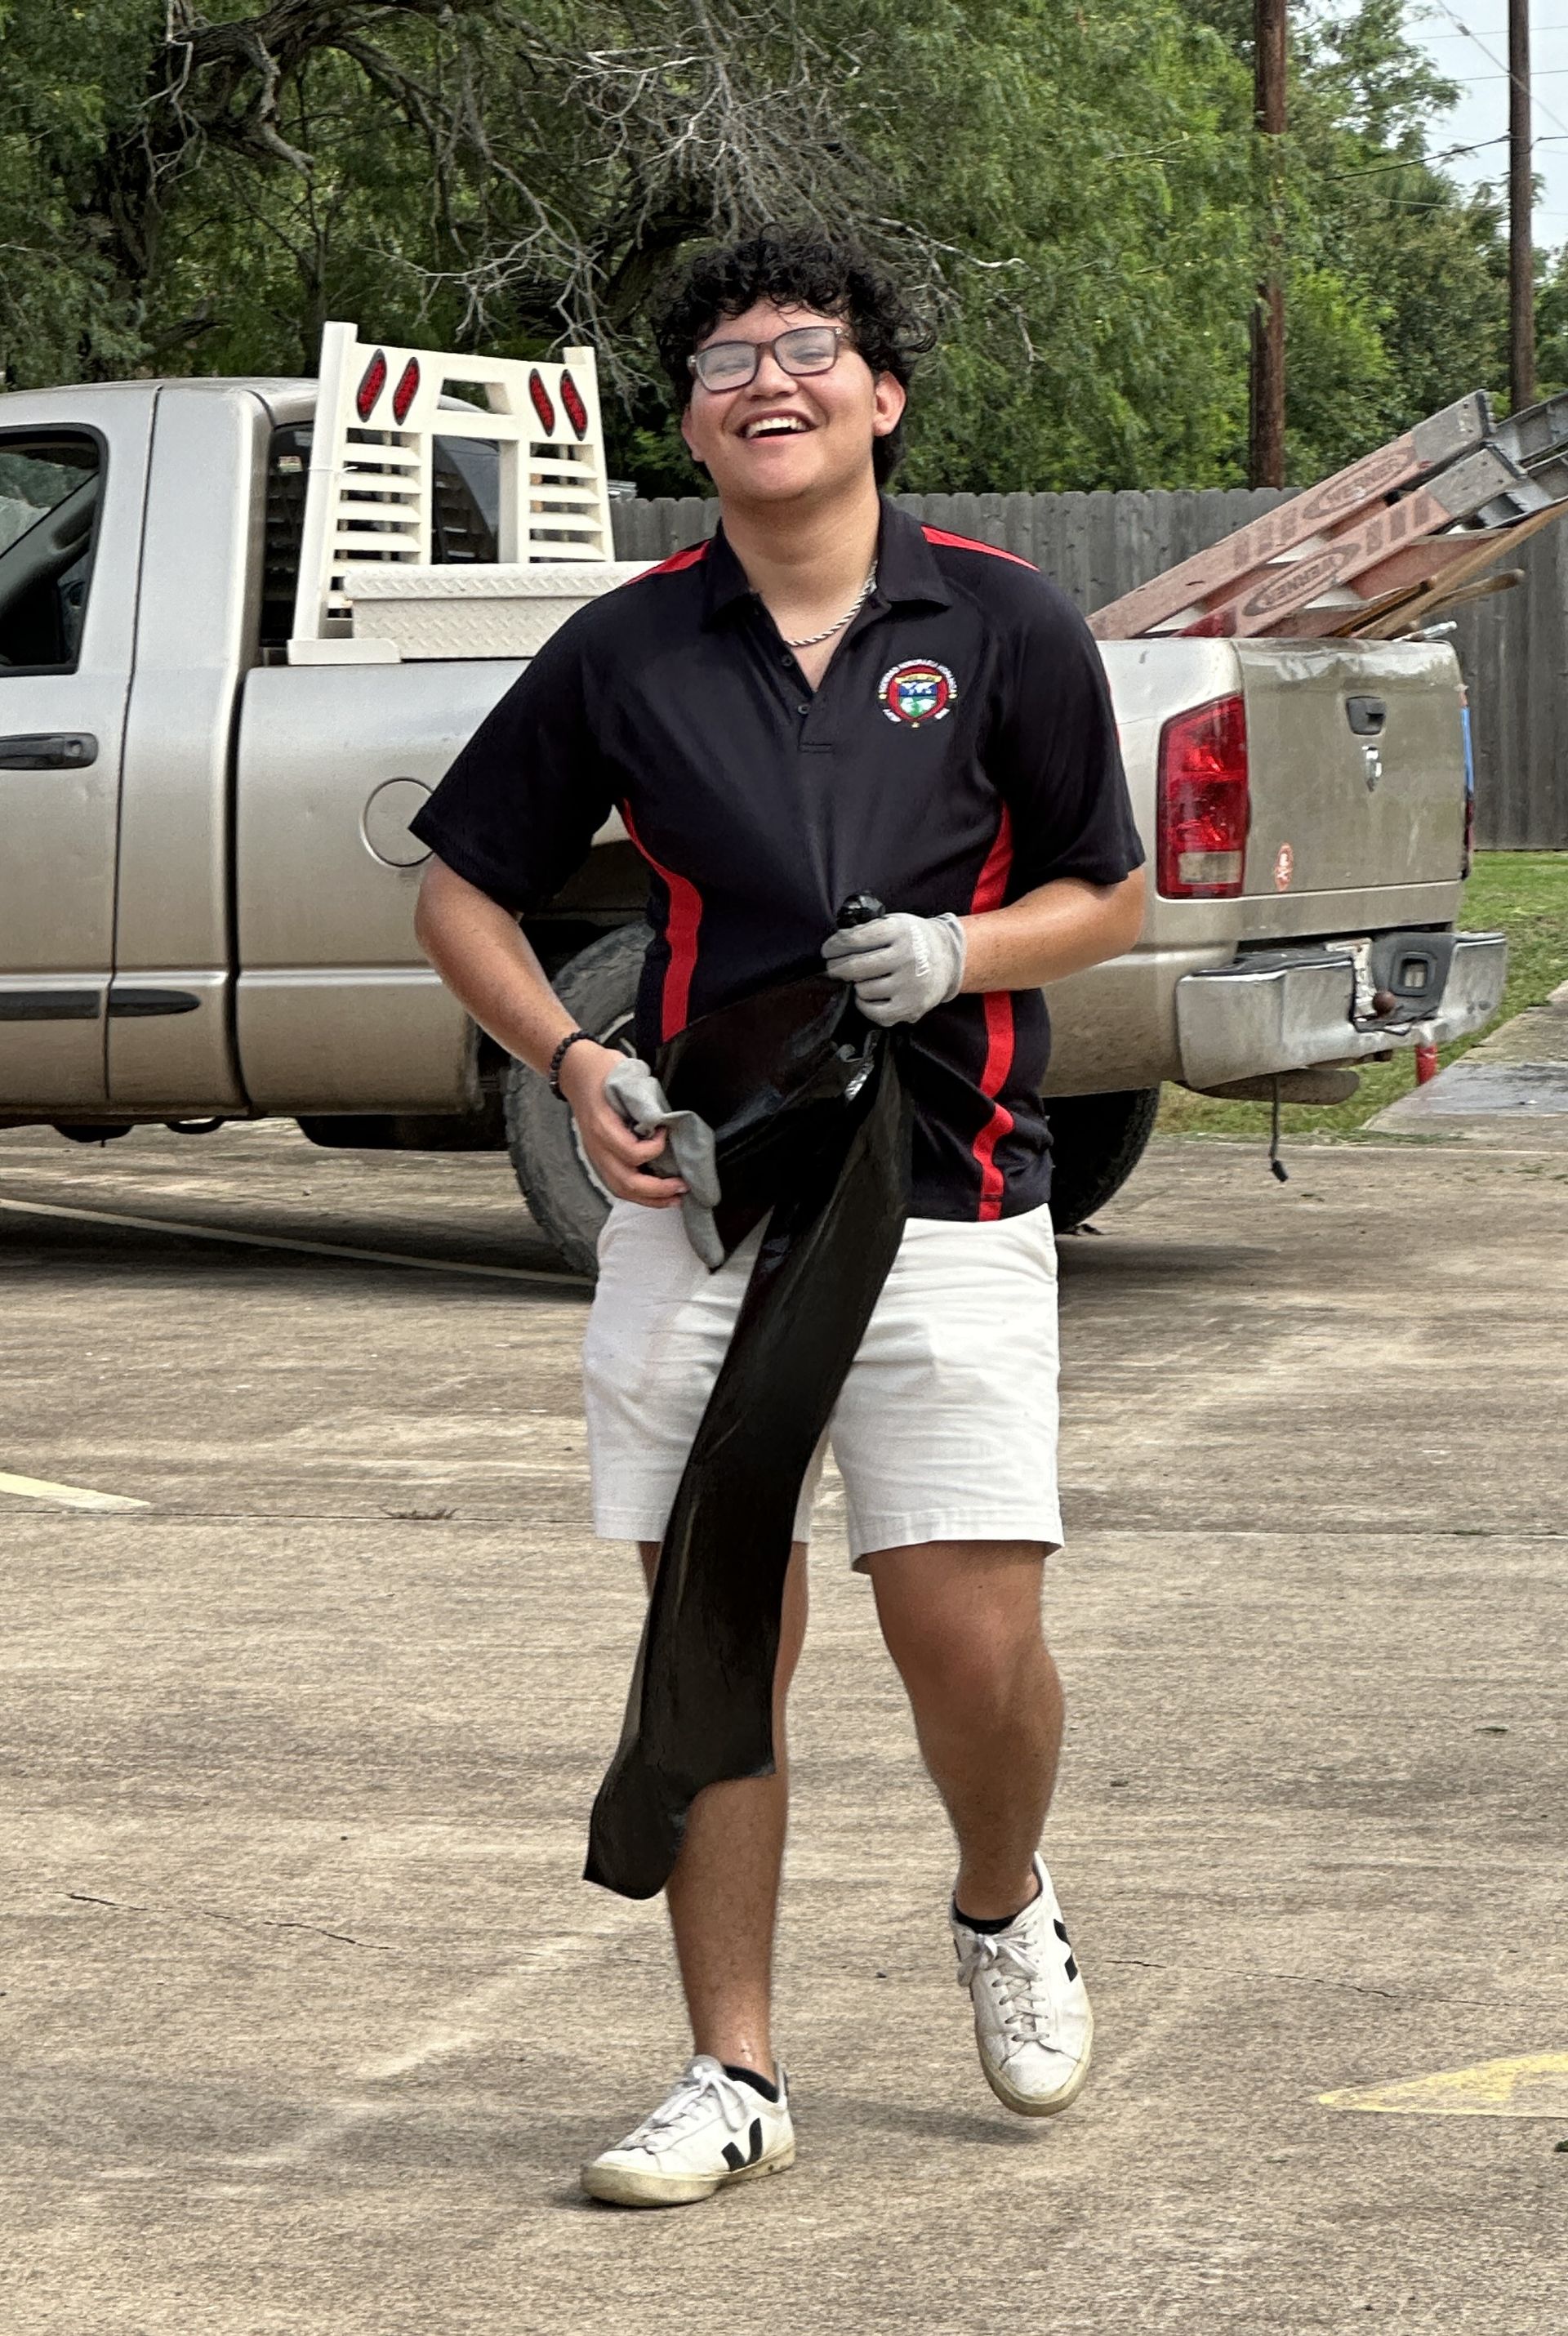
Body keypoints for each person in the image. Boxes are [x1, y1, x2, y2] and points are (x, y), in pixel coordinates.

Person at [410, 228, 1147, 2210]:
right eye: (726, 361)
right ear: (693, 425)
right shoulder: (628, 644)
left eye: (807, 349)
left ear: (881, 396)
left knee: (966, 1642)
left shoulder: (1003, 625)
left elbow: (1113, 884)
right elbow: (459, 892)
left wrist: (966, 945)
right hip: (708, 1199)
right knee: (716, 1625)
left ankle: (1002, 1897)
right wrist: (574, 1059)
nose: (769, 381)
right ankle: (732, 2064)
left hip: (950, 1188)